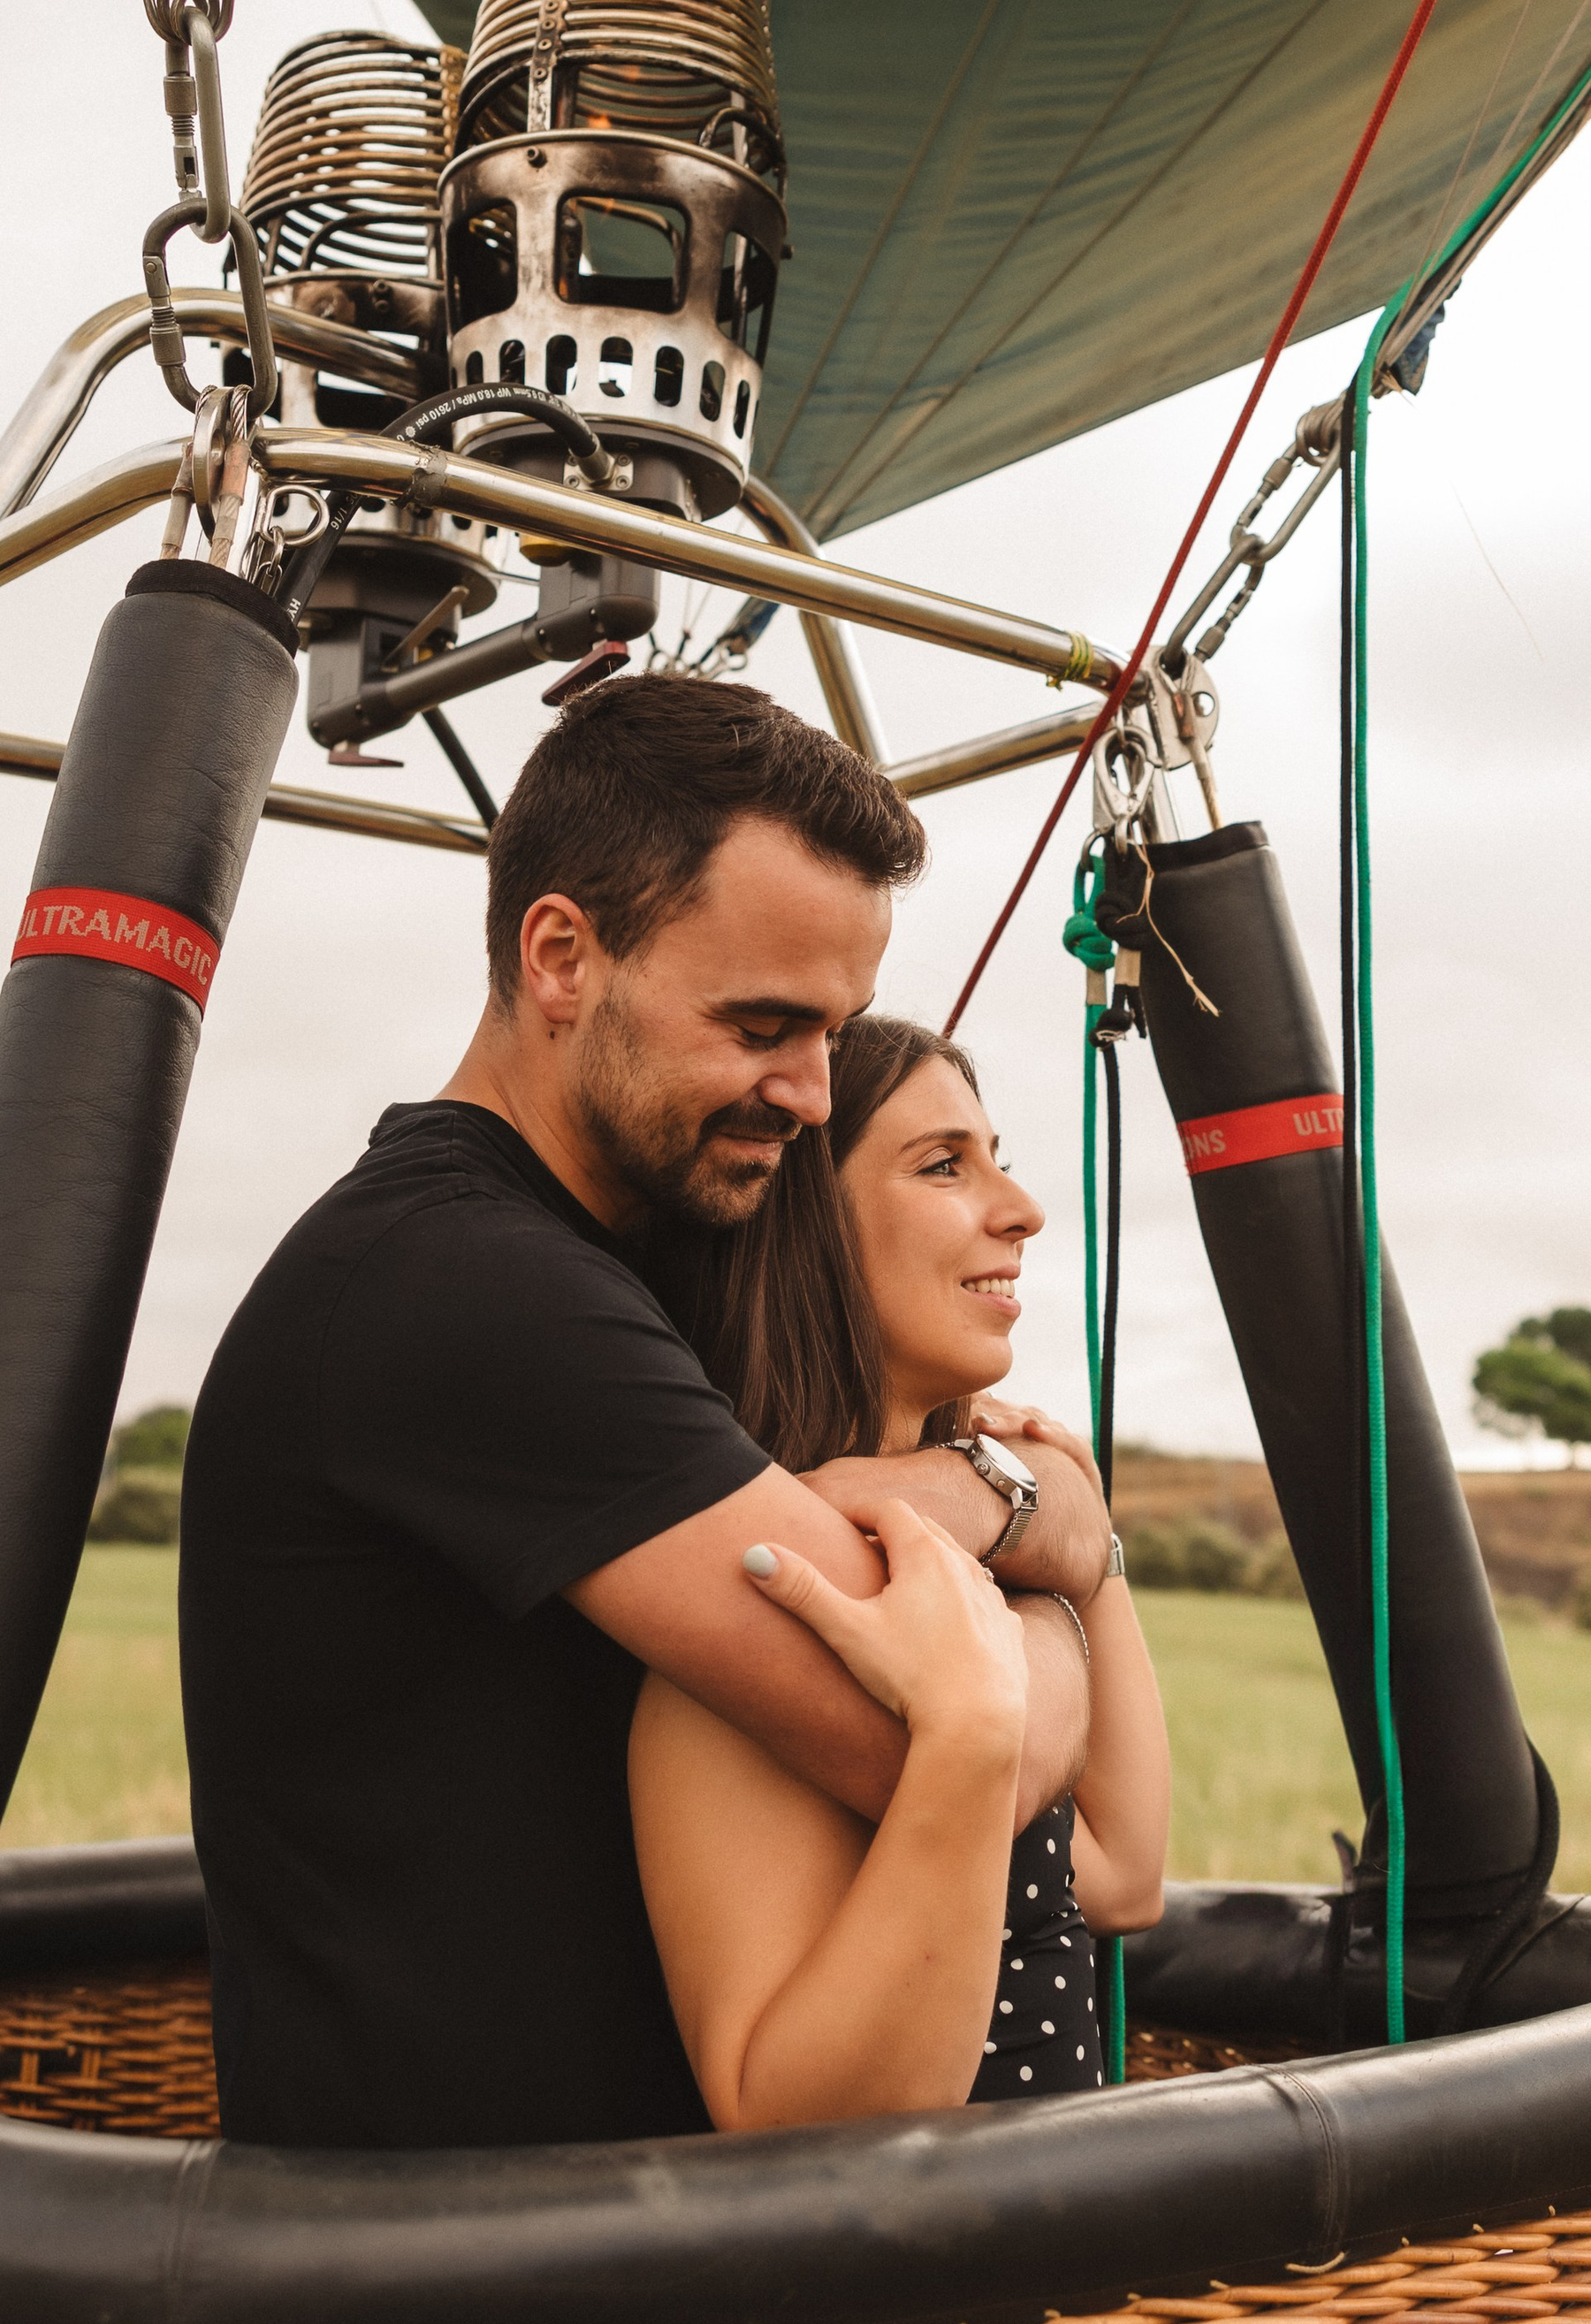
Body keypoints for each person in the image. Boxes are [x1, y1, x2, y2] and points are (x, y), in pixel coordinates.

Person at [179, 679, 1107, 2150]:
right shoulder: (469, 1289)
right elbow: (902, 1735)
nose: (809, 1092)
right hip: (469, 2311)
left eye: (835, 1031)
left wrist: (1007, 1511)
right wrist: (1060, 1577)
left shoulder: (625, 1258)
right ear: (563, 957)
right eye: (761, 1024)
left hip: (623, 2266)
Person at [634, 1017, 1170, 2127]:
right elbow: (780, 2112)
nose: (1020, 1209)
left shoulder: (965, 1569)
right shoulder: (776, 1603)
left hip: (1067, 2273)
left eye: (997, 1157)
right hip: (947, 2287)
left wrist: (1071, 1523)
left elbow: (1122, 1876)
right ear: (804, 1227)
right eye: (943, 1165)